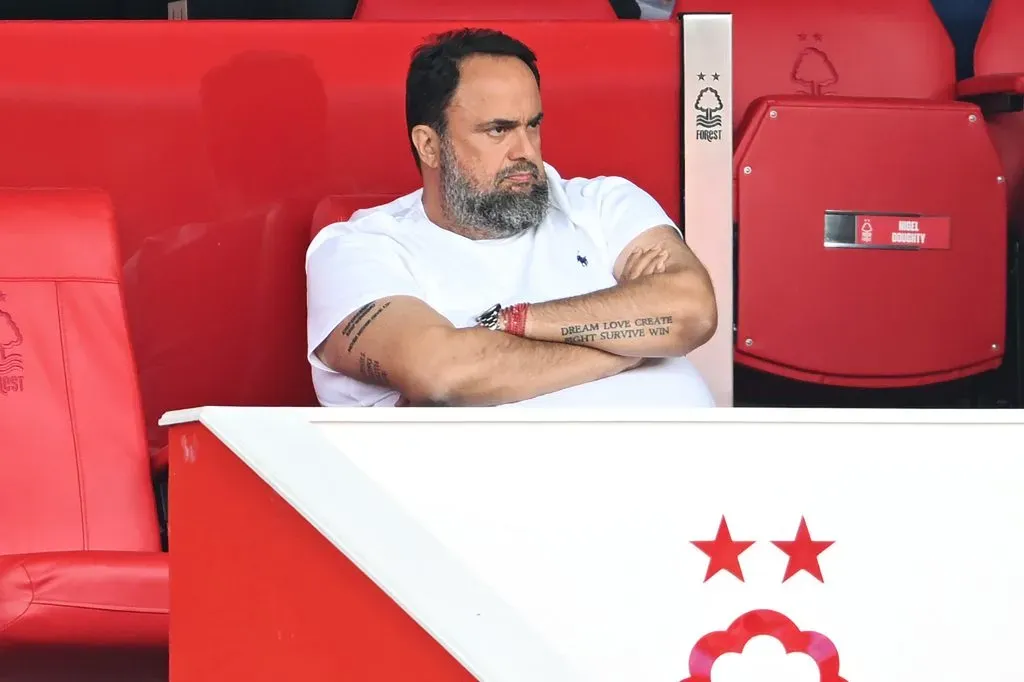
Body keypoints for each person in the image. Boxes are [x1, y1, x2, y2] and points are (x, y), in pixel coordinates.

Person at [306, 28, 718, 407]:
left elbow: (692, 311)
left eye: (532, 126)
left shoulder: (602, 203)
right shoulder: (357, 248)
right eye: (498, 131)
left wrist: (511, 323)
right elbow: (443, 373)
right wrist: (639, 342)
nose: (526, 151)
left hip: (697, 471)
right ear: (429, 145)